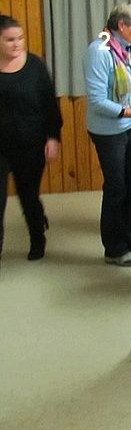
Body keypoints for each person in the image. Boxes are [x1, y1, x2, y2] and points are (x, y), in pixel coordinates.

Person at [83, 4, 131, 267]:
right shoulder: (99, 52)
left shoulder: (129, 50)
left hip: (130, 126)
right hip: (108, 131)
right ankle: (115, 249)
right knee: (117, 188)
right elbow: (97, 102)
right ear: (121, 26)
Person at [0, 15, 62, 264]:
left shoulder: (35, 66)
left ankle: (38, 238)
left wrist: (53, 137)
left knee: (28, 197)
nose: (17, 44)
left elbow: (49, 105)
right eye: (9, 40)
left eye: (20, 38)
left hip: (30, 143)